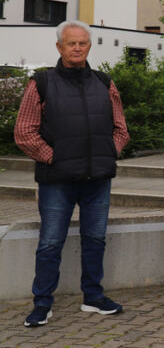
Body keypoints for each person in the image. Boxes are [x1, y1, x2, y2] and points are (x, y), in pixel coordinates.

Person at [15, 21, 130, 327]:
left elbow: (121, 129)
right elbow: (24, 132)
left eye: (82, 43)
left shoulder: (105, 82)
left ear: (89, 47)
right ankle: (42, 303)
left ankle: (93, 297)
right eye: (71, 43)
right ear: (59, 47)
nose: (77, 48)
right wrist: (55, 158)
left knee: (95, 239)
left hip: (97, 179)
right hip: (58, 181)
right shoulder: (41, 83)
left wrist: (109, 153)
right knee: (51, 243)